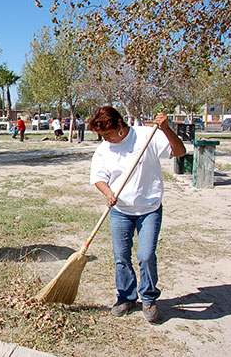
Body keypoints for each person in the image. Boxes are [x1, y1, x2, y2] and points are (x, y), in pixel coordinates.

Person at [89, 106, 186, 323]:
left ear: (120, 126)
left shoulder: (146, 135)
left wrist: (167, 130)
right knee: (121, 258)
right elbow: (98, 177)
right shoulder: (104, 149)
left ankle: (149, 298)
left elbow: (180, 151)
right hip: (121, 212)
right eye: (102, 136)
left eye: (108, 134)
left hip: (149, 208)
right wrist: (108, 192)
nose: (106, 139)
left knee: (146, 256)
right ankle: (126, 297)